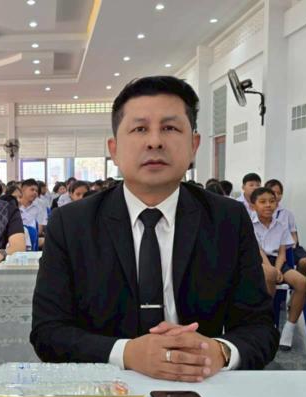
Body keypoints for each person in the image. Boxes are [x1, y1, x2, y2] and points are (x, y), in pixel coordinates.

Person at [31, 76, 278, 381]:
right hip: (104, 387)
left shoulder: (227, 219)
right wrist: (126, 353)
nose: (155, 142)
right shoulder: (71, 224)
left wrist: (219, 351)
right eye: (140, 129)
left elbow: (260, 327)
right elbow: (48, 332)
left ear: (194, 145)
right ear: (114, 149)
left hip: (200, 384)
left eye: (170, 128)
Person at [250, 187, 306, 351]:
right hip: (257, 261)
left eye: (272, 201)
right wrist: (272, 270)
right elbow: (258, 251)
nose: (268, 205)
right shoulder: (249, 225)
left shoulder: (281, 225)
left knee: (302, 282)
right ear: (253, 206)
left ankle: (289, 328)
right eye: (262, 202)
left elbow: (282, 253)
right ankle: (267, 322)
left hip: (278, 261)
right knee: (269, 275)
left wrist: (277, 269)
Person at [264, 179, 306, 276]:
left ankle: (296, 281)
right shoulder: (261, 212)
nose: (277, 195)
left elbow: (294, 234)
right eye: (274, 192)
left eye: (279, 193)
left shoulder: (288, 213)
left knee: (304, 261)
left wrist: (291, 247)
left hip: (289, 247)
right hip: (269, 249)